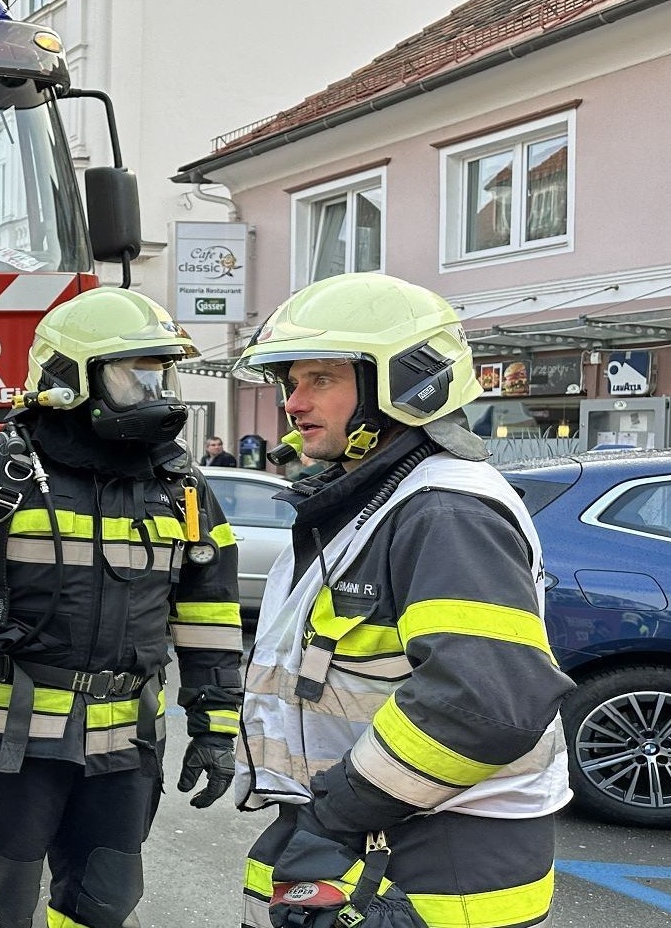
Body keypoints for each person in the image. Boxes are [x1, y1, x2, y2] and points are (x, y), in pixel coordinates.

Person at [228, 273, 573, 928]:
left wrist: (334, 813)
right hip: (380, 835)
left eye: (321, 379)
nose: (294, 403)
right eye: (291, 382)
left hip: (433, 860)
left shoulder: (444, 510)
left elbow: (485, 704)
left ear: (406, 384)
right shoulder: (379, 500)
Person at [0, 287, 244, 928]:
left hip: (126, 749)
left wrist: (215, 727)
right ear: (69, 380)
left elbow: (209, 615)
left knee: (105, 903)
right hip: (6, 749)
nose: (158, 394)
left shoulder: (182, 488)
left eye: (162, 375)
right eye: (135, 376)